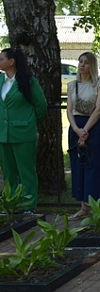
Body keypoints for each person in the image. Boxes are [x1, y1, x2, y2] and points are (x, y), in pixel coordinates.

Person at [0, 47, 47, 212]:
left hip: (23, 134)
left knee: (26, 172)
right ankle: (11, 204)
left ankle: (28, 205)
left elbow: (41, 106)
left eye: (1, 59)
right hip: (3, 134)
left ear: (11, 62)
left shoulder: (29, 81)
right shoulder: (0, 80)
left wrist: (28, 121)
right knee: (8, 173)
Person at [67, 52, 100, 220]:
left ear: (92, 65)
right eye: (80, 62)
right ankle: (83, 207)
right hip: (76, 126)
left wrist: (85, 130)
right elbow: (69, 110)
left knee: (93, 165)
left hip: (93, 126)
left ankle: (95, 206)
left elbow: (98, 109)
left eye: (86, 62)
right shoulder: (72, 85)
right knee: (79, 165)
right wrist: (77, 130)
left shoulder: (99, 84)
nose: (82, 65)